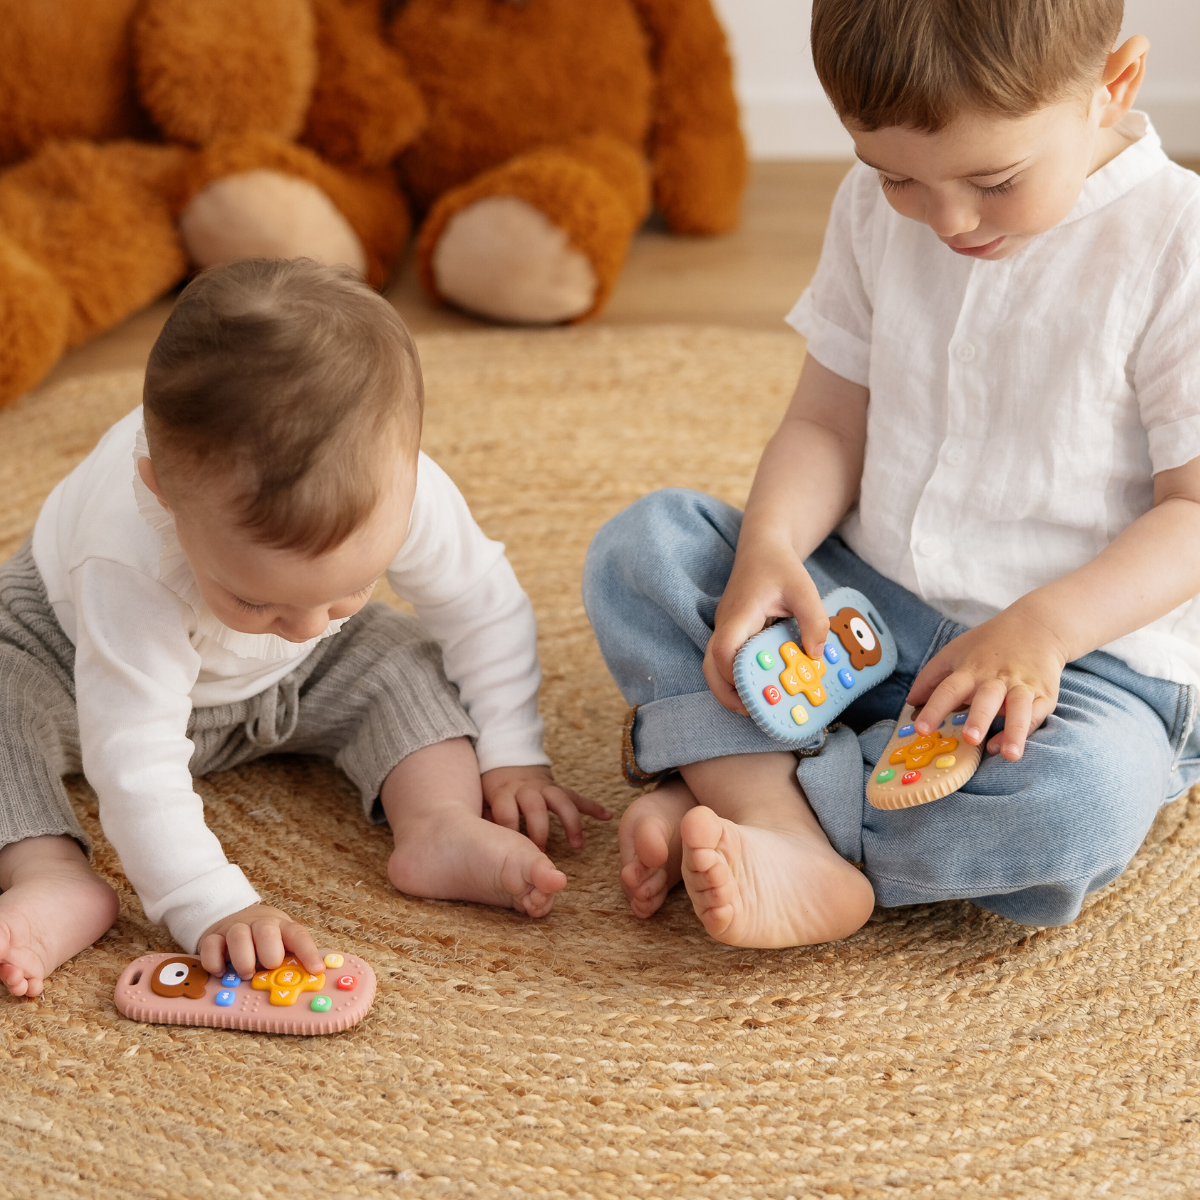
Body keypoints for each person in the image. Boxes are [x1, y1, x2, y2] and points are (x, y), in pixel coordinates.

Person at [584, 0, 1200, 947]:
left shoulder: (1176, 247)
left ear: (1111, 86)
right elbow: (828, 422)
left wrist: (1043, 627)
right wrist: (771, 549)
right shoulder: (875, 209)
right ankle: (784, 818)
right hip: (863, 600)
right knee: (646, 546)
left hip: (1078, 661)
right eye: (896, 176)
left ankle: (742, 786)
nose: (946, 218)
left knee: (1079, 804)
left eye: (994, 180)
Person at [0, 257, 608, 998]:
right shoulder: (125, 553)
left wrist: (512, 753)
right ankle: (48, 871)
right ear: (164, 493)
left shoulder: (398, 490)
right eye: (257, 601)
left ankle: (438, 823)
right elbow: (131, 751)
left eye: (350, 587)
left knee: (406, 661)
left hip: (291, 689)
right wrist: (210, 903)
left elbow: (481, 608)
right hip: (67, 666)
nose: (304, 625)